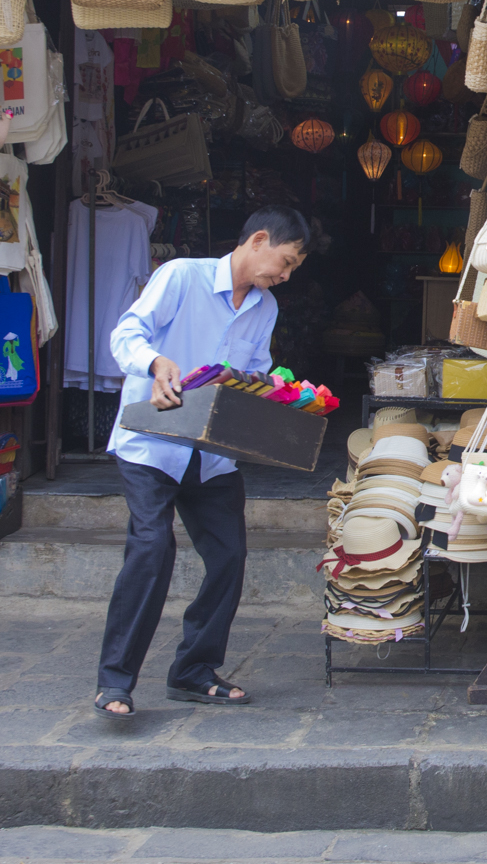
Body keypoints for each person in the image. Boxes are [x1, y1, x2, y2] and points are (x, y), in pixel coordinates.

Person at [92, 206, 311, 719]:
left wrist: (276, 398)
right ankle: (115, 682)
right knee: (151, 549)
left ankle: (193, 671)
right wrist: (155, 363)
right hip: (154, 442)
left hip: (212, 453)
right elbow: (126, 334)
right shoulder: (181, 276)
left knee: (229, 557)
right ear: (258, 239)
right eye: (284, 261)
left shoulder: (265, 307)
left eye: (293, 268)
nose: (284, 274)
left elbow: (253, 375)